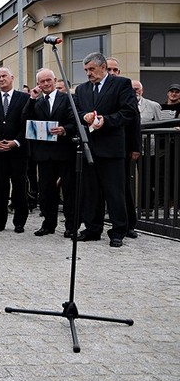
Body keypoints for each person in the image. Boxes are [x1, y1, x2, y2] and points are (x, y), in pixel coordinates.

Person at [74, 52, 136, 247]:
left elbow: (129, 112)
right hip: (89, 148)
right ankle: (92, 228)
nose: (88, 74)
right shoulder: (82, 89)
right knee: (91, 192)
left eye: (91, 69)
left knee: (115, 192)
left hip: (112, 149)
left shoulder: (121, 84)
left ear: (103, 67)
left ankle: (118, 231)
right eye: (86, 70)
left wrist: (105, 121)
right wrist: (85, 117)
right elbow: (76, 110)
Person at [22, 69, 77, 238]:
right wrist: (31, 98)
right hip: (44, 154)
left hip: (64, 152)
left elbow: (75, 121)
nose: (46, 84)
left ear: (54, 80)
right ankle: (48, 224)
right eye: (42, 81)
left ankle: (71, 225)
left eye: (48, 80)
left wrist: (64, 129)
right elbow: (24, 119)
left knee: (69, 191)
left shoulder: (67, 99)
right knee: (46, 191)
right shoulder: (36, 102)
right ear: (38, 83)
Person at [0, 67, 30, 233]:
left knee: (19, 188)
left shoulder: (24, 98)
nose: (1, 79)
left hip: (18, 151)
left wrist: (16, 142)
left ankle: (19, 222)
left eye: (4, 76)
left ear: (12, 77)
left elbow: (26, 124)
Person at [105, 58, 142, 240]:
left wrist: (135, 146)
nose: (112, 72)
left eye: (115, 69)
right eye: (109, 68)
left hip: (125, 146)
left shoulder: (124, 87)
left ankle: (129, 225)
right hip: (107, 146)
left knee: (124, 187)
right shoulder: (102, 89)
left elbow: (134, 119)